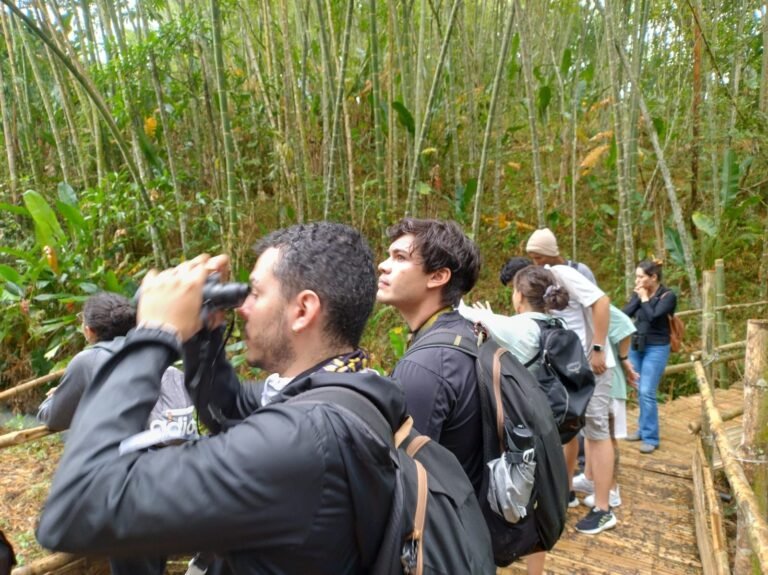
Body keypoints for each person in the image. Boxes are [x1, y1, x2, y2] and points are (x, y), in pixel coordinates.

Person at [36, 223, 407, 574]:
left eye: (256, 293)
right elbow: (226, 409)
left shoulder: (301, 441)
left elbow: (76, 509)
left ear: (303, 310)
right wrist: (204, 336)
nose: (242, 306)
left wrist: (153, 335)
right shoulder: (346, 390)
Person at [36, 292, 195, 575]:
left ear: (89, 330)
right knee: (151, 562)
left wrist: (51, 399)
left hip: (126, 489)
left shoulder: (88, 361)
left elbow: (55, 417)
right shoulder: (150, 352)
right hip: (170, 477)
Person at [460, 264, 570, 575]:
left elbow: (464, 312)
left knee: (511, 501)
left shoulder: (517, 328)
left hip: (518, 431)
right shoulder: (555, 323)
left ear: (518, 295)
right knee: (539, 503)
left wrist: (486, 316)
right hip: (547, 424)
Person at [377, 218, 484, 493]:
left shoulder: (427, 365)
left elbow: (405, 480)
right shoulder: (463, 332)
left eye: (400, 257)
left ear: (437, 276)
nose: (383, 265)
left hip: (448, 526)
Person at [526, 230, 617, 535]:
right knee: (571, 427)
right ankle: (564, 493)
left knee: (597, 431)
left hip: (594, 365)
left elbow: (602, 302)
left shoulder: (562, 273)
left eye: (538, 255)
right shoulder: (547, 279)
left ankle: (604, 508)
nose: (535, 261)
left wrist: (598, 347)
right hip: (573, 367)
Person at [573, 305, 638, 509]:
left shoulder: (598, 306)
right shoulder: (578, 308)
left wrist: (624, 358)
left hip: (609, 381)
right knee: (591, 431)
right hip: (593, 381)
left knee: (606, 435)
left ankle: (612, 490)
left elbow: (626, 325)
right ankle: (589, 478)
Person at [622, 259, 677, 454]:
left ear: (653, 277)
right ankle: (642, 429)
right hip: (637, 346)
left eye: (640, 277)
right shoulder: (640, 294)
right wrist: (637, 297)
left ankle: (651, 437)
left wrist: (644, 298)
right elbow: (625, 314)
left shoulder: (668, 296)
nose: (637, 280)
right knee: (638, 388)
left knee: (647, 390)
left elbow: (654, 316)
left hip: (657, 348)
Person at [526, 227, 597, 284]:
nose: (536, 263)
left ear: (551, 254)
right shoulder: (540, 277)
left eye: (538, 258)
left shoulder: (580, 271)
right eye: (533, 259)